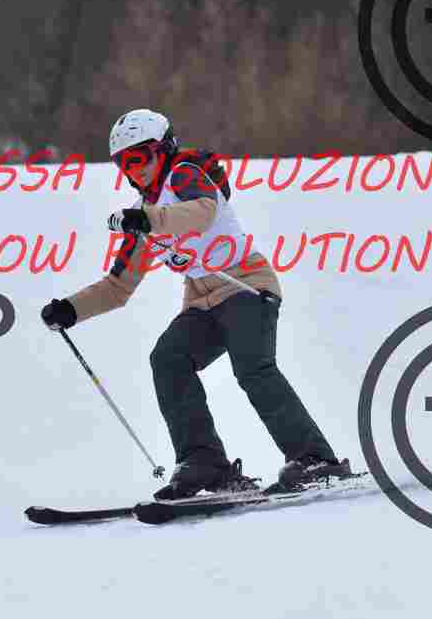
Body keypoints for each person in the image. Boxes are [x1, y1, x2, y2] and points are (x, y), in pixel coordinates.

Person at [40, 108, 350, 499]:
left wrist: (147, 219)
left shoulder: (185, 174)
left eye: (141, 157)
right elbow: (118, 287)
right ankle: (205, 462)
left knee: (253, 368)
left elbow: (202, 213)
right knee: (168, 359)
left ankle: (316, 460)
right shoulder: (145, 214)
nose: (135, 169)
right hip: (202, 302)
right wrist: (70, 309)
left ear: (164, 149)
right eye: (125, 164)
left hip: (245, 285)